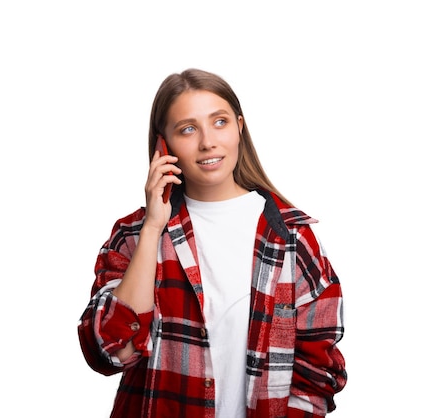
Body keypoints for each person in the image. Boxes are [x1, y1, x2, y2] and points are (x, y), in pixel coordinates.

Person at [78, 68, 346, 418]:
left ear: (239, 126)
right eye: (187, 129)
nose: (207, 142)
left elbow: (318, 372)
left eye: (219, 122)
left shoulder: (292, 238)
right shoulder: (132, 235)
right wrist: (152, 228)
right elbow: (108, 350)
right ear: (165, 145)